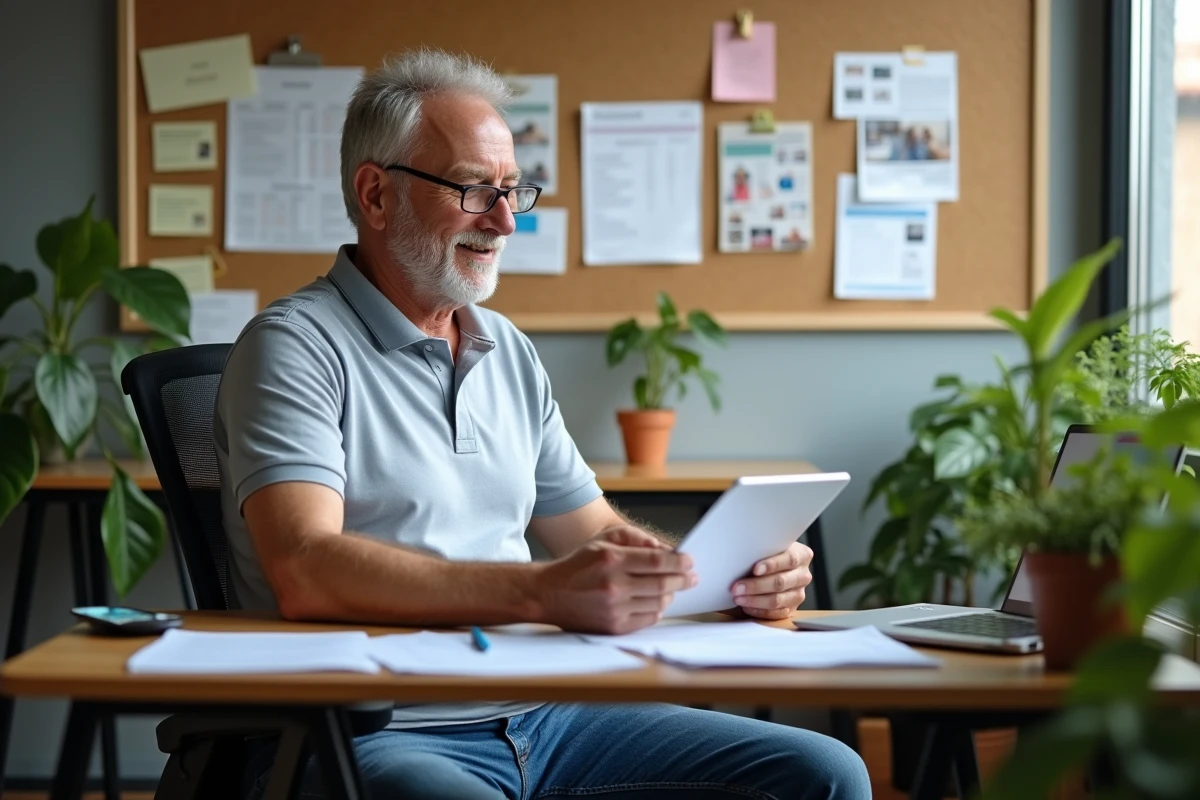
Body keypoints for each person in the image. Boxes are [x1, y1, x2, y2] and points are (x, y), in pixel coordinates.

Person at [215, 47, 869, 800]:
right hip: (373, 729)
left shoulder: (507, 351)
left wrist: (724, 580)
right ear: (375, 195)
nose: (503, 221)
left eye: (510, 191)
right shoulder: (294, 346)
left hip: (549, 716)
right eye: (471, 190)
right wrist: (538, 592)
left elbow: (589, 537)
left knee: (825, 774)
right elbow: (305, 569)